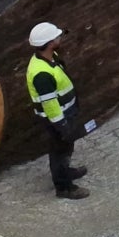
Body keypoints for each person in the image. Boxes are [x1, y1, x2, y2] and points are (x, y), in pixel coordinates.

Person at [25, 21, 89, 200]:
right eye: (57, 37)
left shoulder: (49, 57)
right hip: (56, 119)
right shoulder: (41, 74)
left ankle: (66, 171)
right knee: (59, 151)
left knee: (66, 147)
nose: (60, 38)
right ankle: (64, 188)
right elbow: (50, 104)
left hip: (64, 114)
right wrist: (62, 125)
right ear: (50, 42)